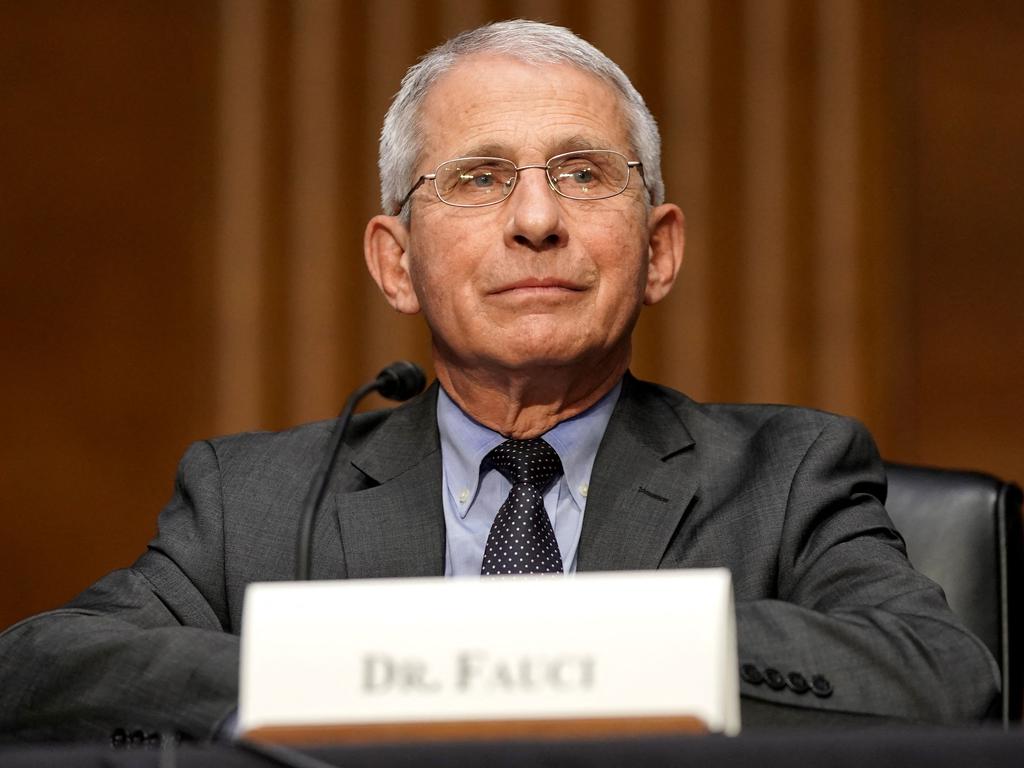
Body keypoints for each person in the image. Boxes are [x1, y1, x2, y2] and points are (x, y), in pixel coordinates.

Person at [0, 20, 998, 742]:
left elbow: (940, 677)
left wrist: (572, 643)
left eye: (579, 173)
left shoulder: (789, 474)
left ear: (658, 252)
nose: (534, 219)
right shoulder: (249, 500)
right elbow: (38, 667)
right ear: (395, 262)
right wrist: (369, 668)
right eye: (477, 178)